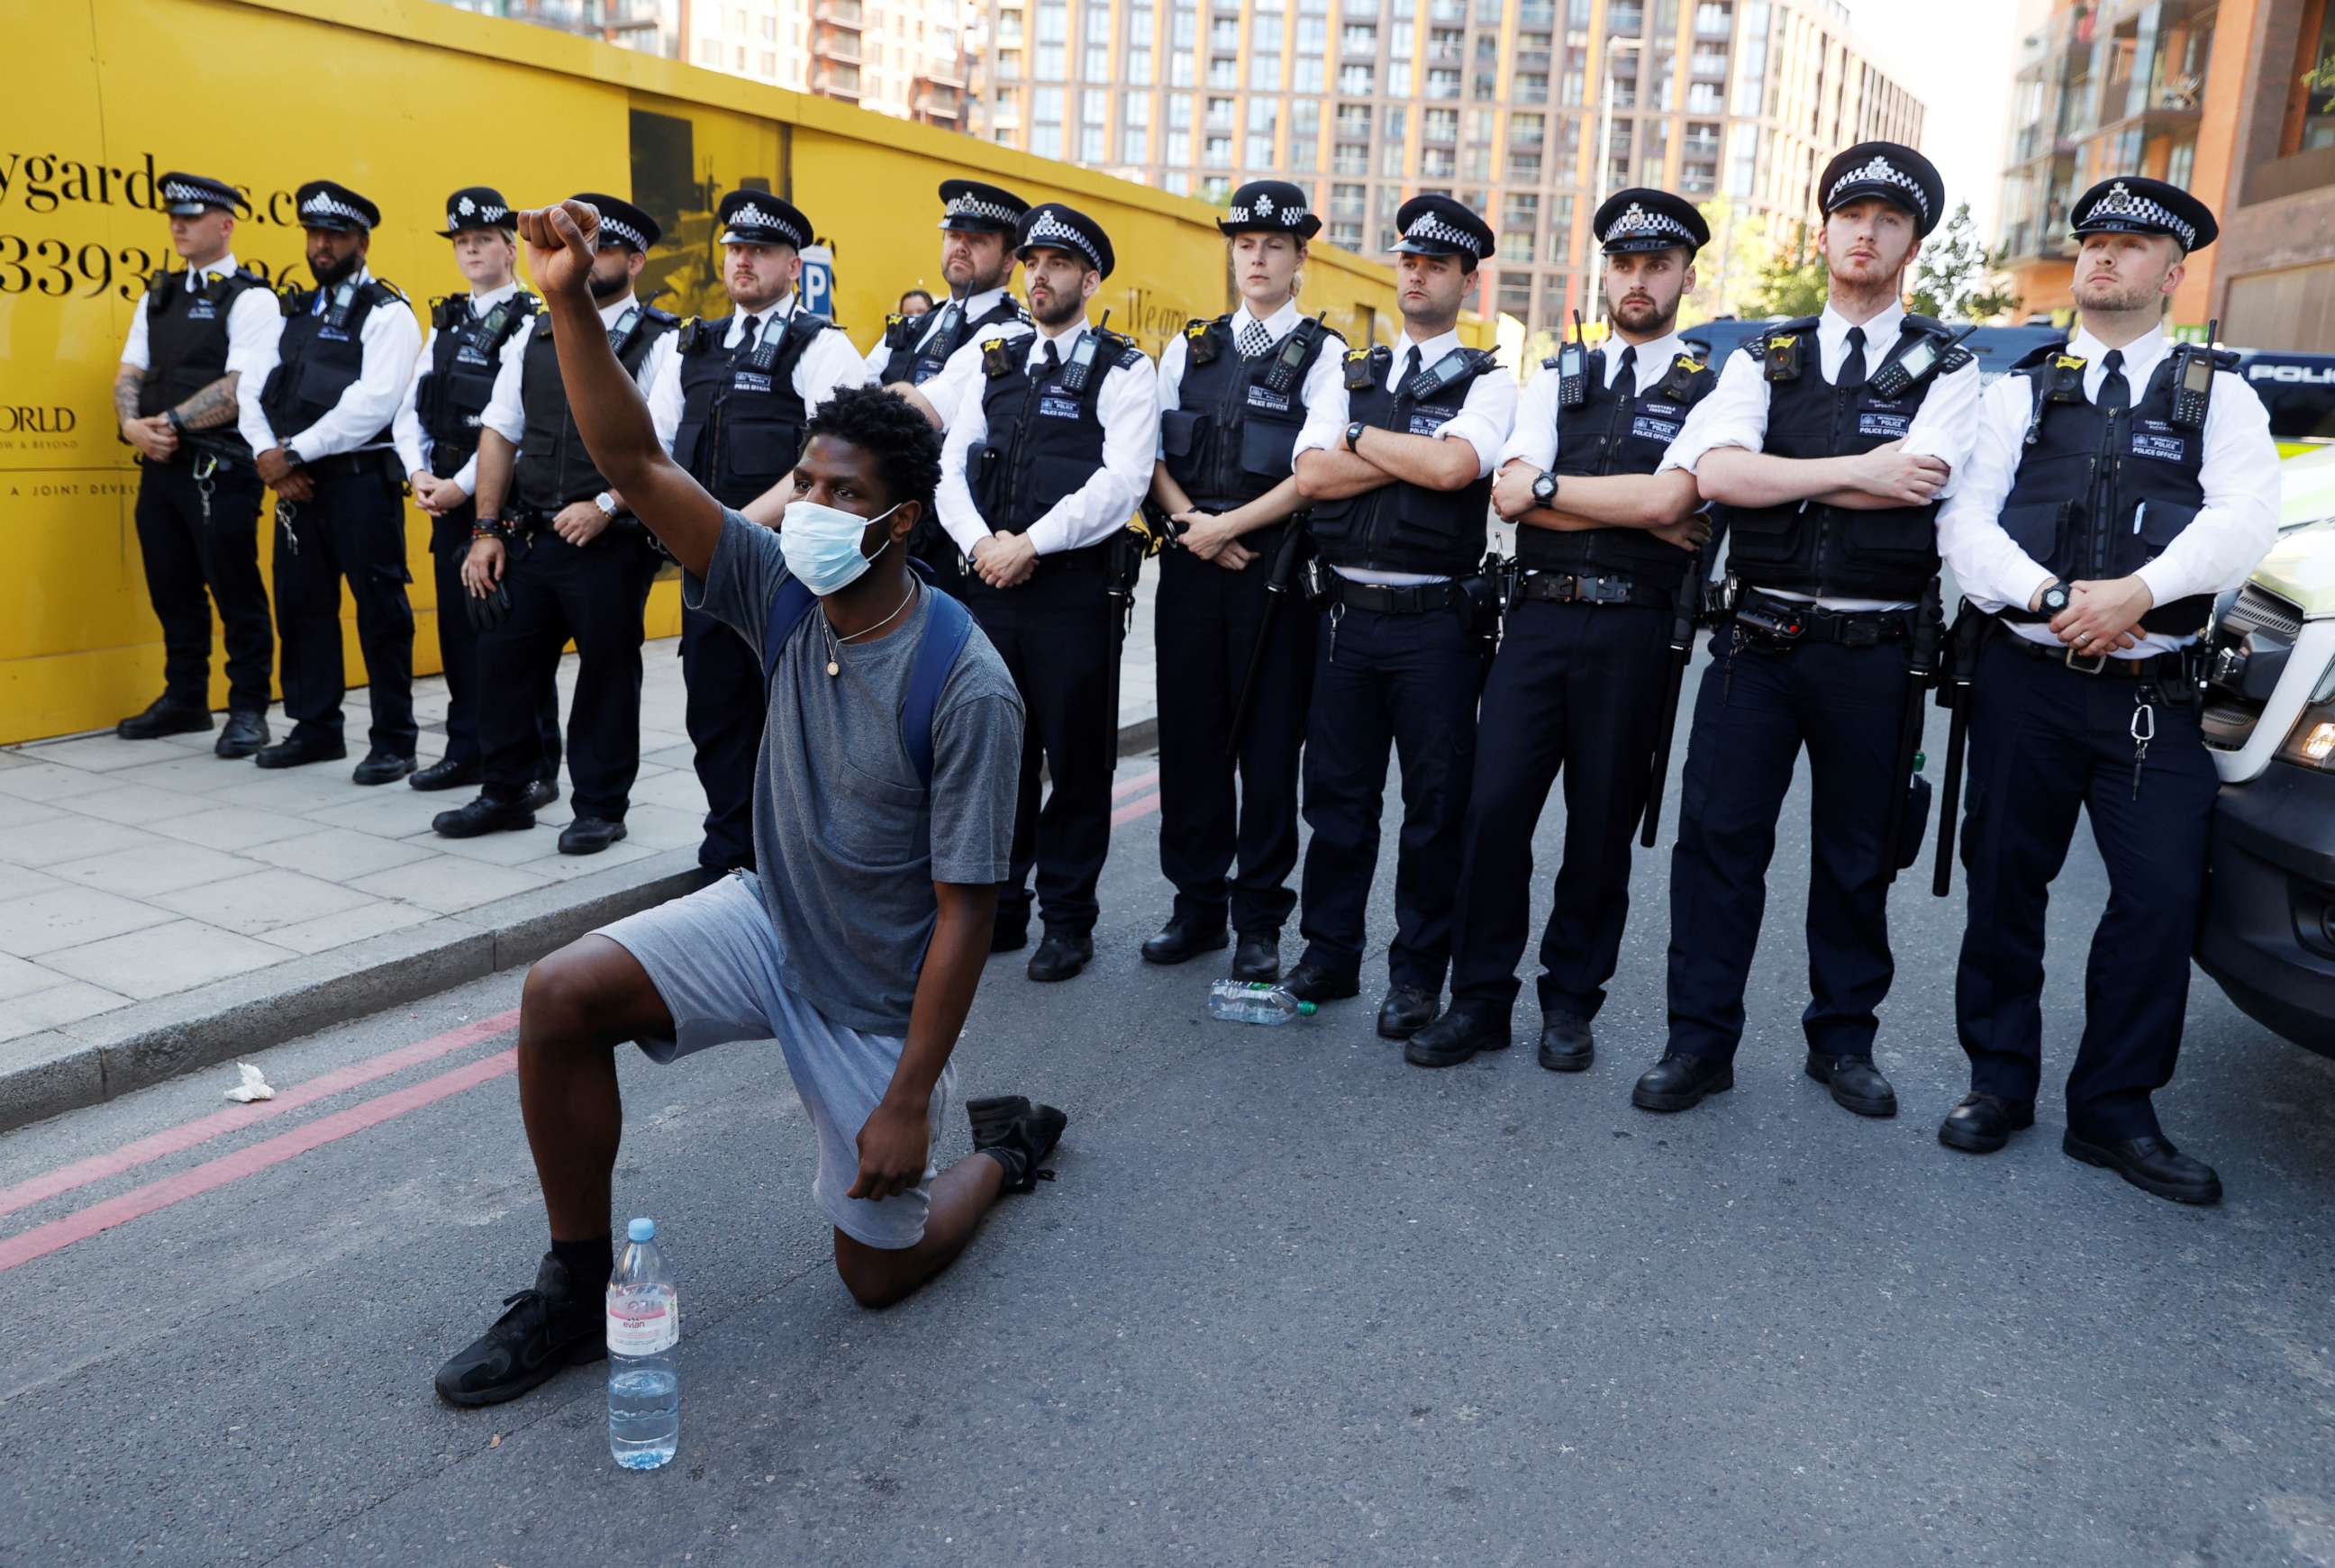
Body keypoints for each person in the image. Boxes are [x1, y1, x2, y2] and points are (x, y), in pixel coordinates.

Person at [434, 199, 1058, 1408]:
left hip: (875, 989)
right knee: (561, 994)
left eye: (840, 494)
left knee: (878, 1273)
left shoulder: (964, 681)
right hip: (771, 917)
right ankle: (573, 1285)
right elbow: (635, 464)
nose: (811, 511)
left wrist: (907, 1098)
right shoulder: (778, 587)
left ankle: (999, 1148)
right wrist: (569, 300)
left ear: (902, 522)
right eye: (807, 484)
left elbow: (966, 913)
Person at [1934, 177, 2278, 1203]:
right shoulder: (2016, 391)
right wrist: (2050, 595)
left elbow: (2246, 518)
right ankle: (1997, 1083)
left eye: (2129, 246)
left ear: (2173, 273)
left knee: (2161, 898)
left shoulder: (2222, 395)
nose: (2102, 258)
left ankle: (2115, 1110)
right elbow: (1968, 528)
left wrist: (2139, 590)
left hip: (2151, 693)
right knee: (2004, 882)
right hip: (2026, 679)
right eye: (2092, 241)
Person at [1635, 142, 1982, 1116]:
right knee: (1716, 845)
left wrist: (1794, 471)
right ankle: (1699, 1043)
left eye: (1888, 221)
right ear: (1822, 231)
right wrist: (1859, 472)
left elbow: (1929, 476)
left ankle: (1842, 1042)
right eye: (1850, 216)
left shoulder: (1949, 370)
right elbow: (1716, 476)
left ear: (1912, 242)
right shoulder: (1761, 357)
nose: (1865, 233)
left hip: (1876, 650)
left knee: (1858, 854)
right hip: (1758, 637)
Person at [1404, 188, 1715, 1070]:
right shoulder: (1556, 374)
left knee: (1600, 826)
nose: (1639, 280)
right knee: (1493, 811)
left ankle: (1572, 1003)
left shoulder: (1713, 382)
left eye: (1658, 265)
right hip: (1536, 620)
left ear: (1685, 276)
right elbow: (1508, 492)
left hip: (1634, 633)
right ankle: (1479, 1000)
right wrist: (1614, 504)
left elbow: (1681, 502)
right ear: (1606, 273)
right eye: (1625, 263)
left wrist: (1561, 493)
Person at [1285, 195, 1517, 1039]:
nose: (1417, 274)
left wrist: (1358, 442)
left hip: (1434, 626)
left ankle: (1417, 973)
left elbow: (1457, 468)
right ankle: (1329, 952)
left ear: (1467, 280)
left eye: (1437, 264)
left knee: (1434, 809)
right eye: (1409, 260)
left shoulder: (1491, 381)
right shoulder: (1353, 372)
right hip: (1345, 616)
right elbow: (1308, 477)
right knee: (1338, 802)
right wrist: (1395, 451)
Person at [933, 202, 1158, 983]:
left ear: (1089, 278)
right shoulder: (995, 357)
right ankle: (1004, 910)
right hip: (991, 588)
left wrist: (1031, 543)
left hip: (1071, 594)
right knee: (999, 756)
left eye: (1057, 264)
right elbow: (949, 467)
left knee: (1077, 759)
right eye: (1031, 263)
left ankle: (1068, 918)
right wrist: (981, 545)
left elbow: (1122, 483)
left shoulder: (1126, 369)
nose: (1039, 276)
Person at [433, 193, 679, 855]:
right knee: (504, 661)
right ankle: (508, 789)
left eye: (603, 249)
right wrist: (484, 529)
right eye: (581, 247)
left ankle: (599, 806)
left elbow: (665, 449)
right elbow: (499, 430)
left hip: (608, 541)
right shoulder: (532, 334)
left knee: (606, 674)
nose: (588, 260)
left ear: (634, 261)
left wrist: (605, 505)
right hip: (530, 531)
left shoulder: (663, 339)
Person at [1140, 180, 1343, 984]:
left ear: (1300, 259)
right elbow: (1148, 455)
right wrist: (1196, 524)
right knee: (1189, 744)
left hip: (1274, 579)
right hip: (1194, 567)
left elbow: (1315, 470)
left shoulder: (1325, 356)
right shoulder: (1188, 346)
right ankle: (1196, 907)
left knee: (1267, 752)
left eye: (1273, 246)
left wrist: (1229, 527)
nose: (1256, 258)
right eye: (1245, 244)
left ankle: (1258, 920)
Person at [650, 190, 872, 880]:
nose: (743, 260)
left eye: (760, 250)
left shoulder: (823, 347)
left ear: (792, 264)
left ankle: (801, 865)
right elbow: (653, 450)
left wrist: (731, 532)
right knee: (715, 718)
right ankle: (730, 861)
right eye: (734, 249)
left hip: (786, 575)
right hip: (709, 572)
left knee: (794, 724)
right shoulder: (692, 344)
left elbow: (831, 464)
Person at [241, 179, 423, 781]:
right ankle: (316, 727)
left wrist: (292, 452)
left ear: (362, 242)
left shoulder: (388, 312)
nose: (321, 245)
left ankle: (393, 739)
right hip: (294, 486)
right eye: (314, 234)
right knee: (301, 607)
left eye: (335, 235)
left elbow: (373, 402)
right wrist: (270, 454)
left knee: (380, 612)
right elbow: (250, 389)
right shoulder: (292, 309)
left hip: (357, 482)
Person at [394, 186, 561, 801]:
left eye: (483, 239)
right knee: (461, 640)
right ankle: (467, 751)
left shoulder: (532, 320)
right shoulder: (447, 320)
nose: (471, 250)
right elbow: (410, 408)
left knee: (516, 640)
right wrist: (418, 475)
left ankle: (538, 764)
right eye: (462, 242)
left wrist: (460, 488)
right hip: (443, 503)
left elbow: (510, 423)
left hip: (501, 507)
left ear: (510, 247)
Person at [110, 171, 279, 759]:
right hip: (158, 463)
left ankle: (249, 708)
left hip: (220, 470)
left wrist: (169, 426)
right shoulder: (157, 294)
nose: (177, 225)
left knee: (234, 587)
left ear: (226, 224)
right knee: (172, 585)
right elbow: (131, 371)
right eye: (172, 216)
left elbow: (240, 388)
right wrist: (133, 426)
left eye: (191, 216)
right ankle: (185, 699)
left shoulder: (252, 297)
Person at [870, 180, 1033, 593]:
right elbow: (844, 396)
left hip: (944, 538)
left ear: (1011, 258)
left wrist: (871, 401)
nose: (960, 246)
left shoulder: (1007, 331)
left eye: (977, 239)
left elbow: (923, 411)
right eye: (954, 235)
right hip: (884, 521)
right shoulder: (916, 324)